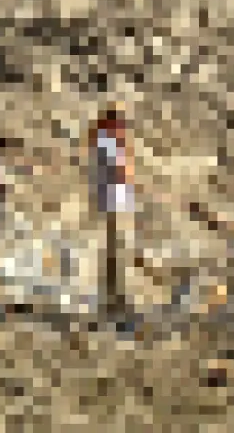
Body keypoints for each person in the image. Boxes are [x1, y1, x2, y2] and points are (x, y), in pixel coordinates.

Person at [88, 103, 135, 319]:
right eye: (120, 122)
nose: (123, 127)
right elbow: (120, 171)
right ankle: (114, 301)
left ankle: (115, 299)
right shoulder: (107, 141)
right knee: (116, 252)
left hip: (114, 201)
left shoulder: (106, 141)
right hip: (113, 202)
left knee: (116, 252)